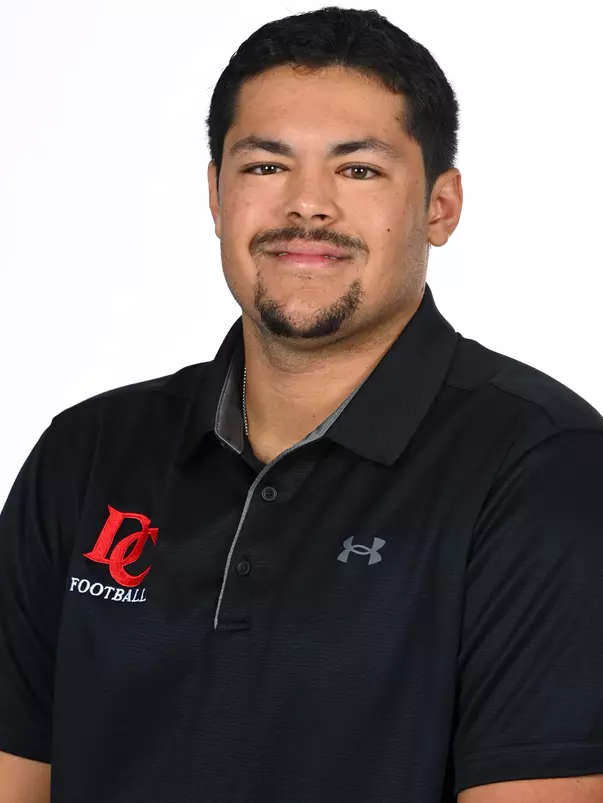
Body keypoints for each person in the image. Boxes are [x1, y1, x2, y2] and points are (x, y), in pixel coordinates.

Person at [1, 6, 603, 802]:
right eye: (264, 167)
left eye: (357, 170)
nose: (306, 206)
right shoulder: (86, 452)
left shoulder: (545, 467)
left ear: (439, 206)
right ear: (216, 195)